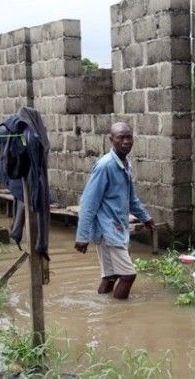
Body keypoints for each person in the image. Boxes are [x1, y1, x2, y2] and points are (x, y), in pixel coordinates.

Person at [74, 122, 155, 299]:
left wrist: (146, 218)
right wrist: (82, 236)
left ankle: (103, 308)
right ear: (112, 140)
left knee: (111, 277)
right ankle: (119, 317)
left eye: (129, 137)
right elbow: (88, 204)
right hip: (108, 231)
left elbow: (131, 198)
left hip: (116, 228)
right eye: (121, 137)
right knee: (128, 275)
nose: (126, 141)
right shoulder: (105, 166)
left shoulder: (125, 164)